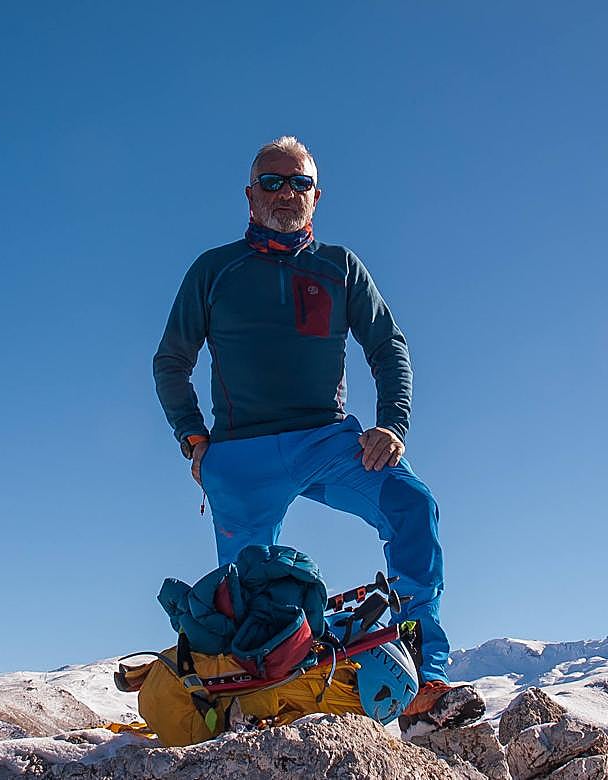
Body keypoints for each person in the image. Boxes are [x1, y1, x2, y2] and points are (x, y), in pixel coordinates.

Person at [153, 136, 485, 730]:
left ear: (316, 195)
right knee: (249, 591)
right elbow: (171, 361)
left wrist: (392, 424)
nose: (286, 193)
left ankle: (425, 682)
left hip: (327, 442)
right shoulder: (215, 269)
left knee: (412, 505)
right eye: (272, 182)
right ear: (250, 195)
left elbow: (388, 347)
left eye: (299, 183)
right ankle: (257, 705)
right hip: (241, 453)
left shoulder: (339, 266)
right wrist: (193, 439)